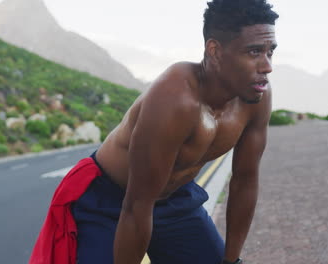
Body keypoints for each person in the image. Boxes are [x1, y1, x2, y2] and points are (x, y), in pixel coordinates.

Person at [30, 0, 278, 263]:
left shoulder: (256, 97)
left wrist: (232, 261)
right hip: (111, 200)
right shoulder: (176, 97)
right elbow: (137, 206)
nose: (267, 66)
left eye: (270, 52)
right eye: (253, 52)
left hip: (175, 200)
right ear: (214, 50)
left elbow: (245, 181)